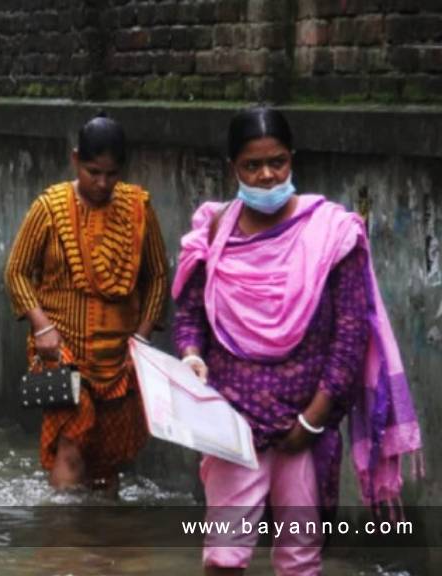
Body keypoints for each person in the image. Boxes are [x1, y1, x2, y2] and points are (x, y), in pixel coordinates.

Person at [172, 107, 422, 575]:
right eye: (252, 165)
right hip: (232, 423)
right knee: (223, 556)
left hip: (306, 424)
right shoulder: (214, 231)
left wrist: (311, 420)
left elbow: (349, 336)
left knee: (300, 558)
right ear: (233, 168)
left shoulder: (332, 233)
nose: (267, 175)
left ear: (292, 159)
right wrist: (189, 356)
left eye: (278, 162)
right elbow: (190, 315)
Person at [5, 112, 168, 494]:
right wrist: (42, 327)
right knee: (72, 445)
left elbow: (158, 276)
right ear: (76, 159)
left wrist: (142, 337)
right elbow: (16, 272)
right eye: (93, 172)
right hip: (61, 348)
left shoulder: (138, 209)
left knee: (107, 458)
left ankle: (102, 530)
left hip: (121, 356)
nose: (102, 183)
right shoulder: (49, 208)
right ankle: (64, 531)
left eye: (112, 174)